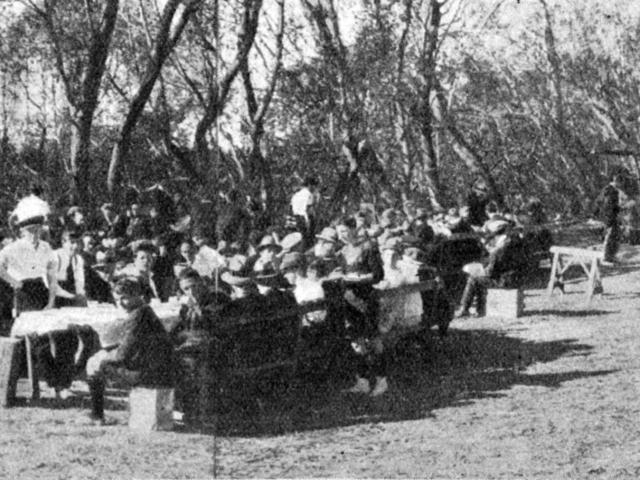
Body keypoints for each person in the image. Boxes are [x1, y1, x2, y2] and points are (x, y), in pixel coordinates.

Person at [85, 277, 175, 424]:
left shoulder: (137, 317)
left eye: (124, 298)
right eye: (117, 299)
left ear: (136, 295)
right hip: (159, 369)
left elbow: (123, 355)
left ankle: (97, 416)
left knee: (94, 364)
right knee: (100, 358)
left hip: (147, 374)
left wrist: (103, 357)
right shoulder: (146, 311)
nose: (120, 303)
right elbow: (129, 344)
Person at [334, 216, 387, 397]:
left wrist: (359, 277)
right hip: (349, 299)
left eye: (344, 231)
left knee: (373, 340)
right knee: (357, 342)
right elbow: (342, 273)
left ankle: (381, 380)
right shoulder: (341, 251)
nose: (341, 235)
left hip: (366, 298)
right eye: (338, 232)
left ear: (353, 229)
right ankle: (362, 381)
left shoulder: (368, 248)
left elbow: (378, 275)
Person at [171, 268, 230, 422]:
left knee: (190, 363)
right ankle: (183, 407)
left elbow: (214, 324)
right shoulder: (188, 304)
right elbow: (179, 326)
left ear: (202, 283)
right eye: (186, 289)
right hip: (195, 346)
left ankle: (197, 411)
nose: (191, 291)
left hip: (219, 345)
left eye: (194, 286)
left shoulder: (217, 298)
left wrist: (196, 307)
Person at [455, 222, 527, 318]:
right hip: (517, 278)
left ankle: (464, 308)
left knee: (474, 279)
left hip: (505, 281)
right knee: (479, 279)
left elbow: (490, 273)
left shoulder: (498, 251)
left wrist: (480, 270)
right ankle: (480, 309)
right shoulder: (515, 245)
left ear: (496, 237)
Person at [0, 195, 58, 314]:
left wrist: (51, 301)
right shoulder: (13, 248)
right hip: (23, 291)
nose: (34, 234)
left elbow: (52, 276)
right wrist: (14, 282)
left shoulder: (45, 247)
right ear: (22, 231)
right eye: (30, 231)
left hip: (41, 289)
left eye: (37, 230)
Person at [54, 231, 88, 308]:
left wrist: (81, 296)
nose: (75, 246)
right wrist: (72, 297)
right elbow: (51, 285)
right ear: (63, 242)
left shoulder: (78, 259)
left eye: (78, 243)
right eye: (72, 242)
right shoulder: (55, 257)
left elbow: (79, 283)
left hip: (69, 298)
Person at [597, 174, 625, 265]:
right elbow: (608, 205)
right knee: (610, 237)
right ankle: (606, 257)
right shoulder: (610, 191)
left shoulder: (608, 189)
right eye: (620, 183)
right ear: (616, 181)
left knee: (615, 236)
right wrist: (619, 210)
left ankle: (611, 256)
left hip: (610, 217)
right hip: (609, 217)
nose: (621, 185)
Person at [290, 176, 320, 248]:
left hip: (295, 219)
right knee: (307, 240)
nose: (315, 188)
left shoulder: (295, 195)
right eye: (314, 186)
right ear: (310, 185)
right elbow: (309, 210)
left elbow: (291, 208)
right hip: (304, 219)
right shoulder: (309, 194)